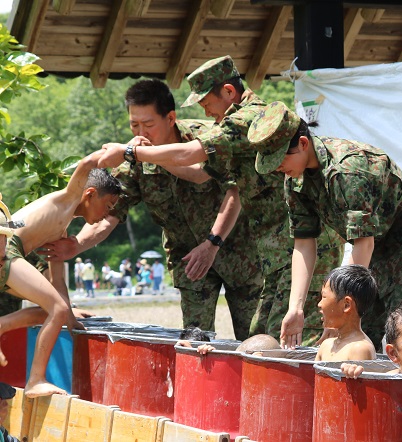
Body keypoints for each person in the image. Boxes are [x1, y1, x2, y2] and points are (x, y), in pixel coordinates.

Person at [97, 57, 342, 345]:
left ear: (228, 92)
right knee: (260, 340)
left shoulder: (247, 120)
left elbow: (189, 154)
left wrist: (130, 152)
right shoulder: (234, 127)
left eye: (206, 103)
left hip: (300, 248)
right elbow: (200, 173)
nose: (205, 112)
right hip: (276, 253)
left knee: (289, 343)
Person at [40, 79, 262, 338]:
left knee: (255, 339)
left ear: (170, 118)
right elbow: (110, 213)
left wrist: (212, 243)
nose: (141, 133)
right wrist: (76, 245)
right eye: (134, 125)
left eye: (148, 125)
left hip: (238, 250)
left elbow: (229, 188)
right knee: (196, 340)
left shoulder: (205, 136)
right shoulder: (133, 158)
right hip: (189, 258)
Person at [246, 101, 402, 351]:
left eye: (279, 159)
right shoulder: (295, 181)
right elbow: (304, 244)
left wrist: (342, 308)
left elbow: (364, 242)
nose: (276, 168)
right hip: (371, 249)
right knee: (360, 336)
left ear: (303, 144)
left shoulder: (348, 170)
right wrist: (295, 309)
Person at [0, 152, 120, 397]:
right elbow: (87, 164)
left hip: (11, 254)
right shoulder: (68, 198)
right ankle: (35, 380)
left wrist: (71, 319)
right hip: (6, 250)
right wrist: (126, 149)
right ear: (89, 194)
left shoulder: (60, 231)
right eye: (107, 206)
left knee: (55, 310)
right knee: (57, 309)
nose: (106, 215)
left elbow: (58, 283)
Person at [315, 265, 377, 362]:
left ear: (346, 305)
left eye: (324, 297)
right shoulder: (326, 346)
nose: (319, 304)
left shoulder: (359, 349)